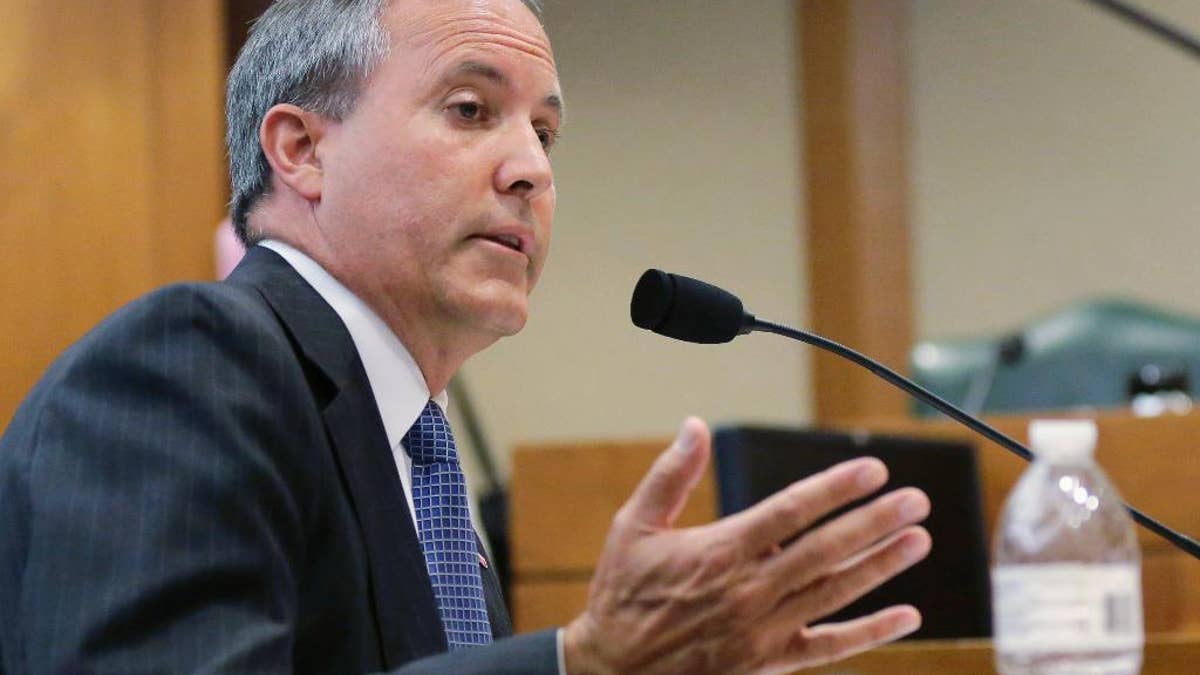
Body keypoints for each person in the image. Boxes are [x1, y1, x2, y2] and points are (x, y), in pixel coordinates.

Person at [0, 0, 933, 673]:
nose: (531, 168)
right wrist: (575, 663)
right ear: (302, 150)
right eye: (471, 111)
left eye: (545, 134)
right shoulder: (188, 362)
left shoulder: (418, 446)